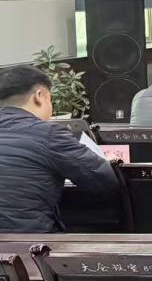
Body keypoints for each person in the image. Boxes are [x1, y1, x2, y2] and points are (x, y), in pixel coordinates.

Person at [0, 65, 120, 232]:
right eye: (50, 99)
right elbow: (104, 181)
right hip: (27, 242)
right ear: (39, 96)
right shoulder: (48, 133)